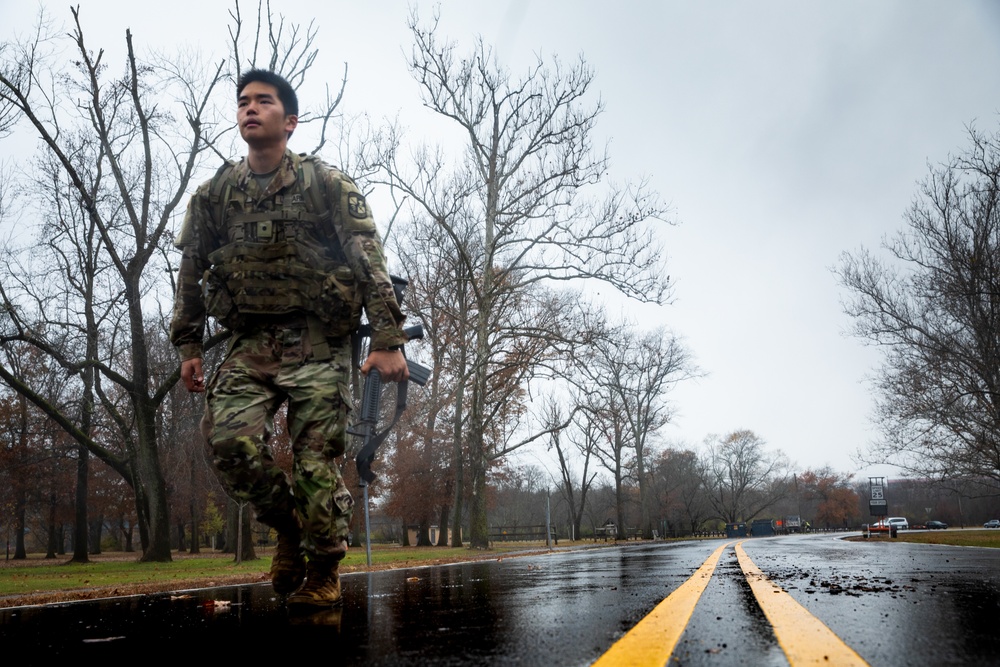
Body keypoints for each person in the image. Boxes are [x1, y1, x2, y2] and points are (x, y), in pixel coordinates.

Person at [170, 68, 408, 609]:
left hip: (317, 342)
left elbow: (367, 260)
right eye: (243, 102)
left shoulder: (327, 185)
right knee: (229, 443)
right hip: (250, 341)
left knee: (315, 464)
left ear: (290, 121)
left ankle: (324, 568)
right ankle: (289, 530)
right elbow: (189, 270)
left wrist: (388, 339)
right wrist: (187, 344)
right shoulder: (214, 196)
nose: (250, 108)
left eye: (264, 101)